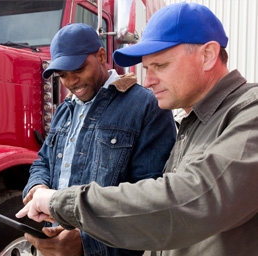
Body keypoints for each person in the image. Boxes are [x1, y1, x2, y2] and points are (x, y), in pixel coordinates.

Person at [16, 3, 258, 256]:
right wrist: (42, 191)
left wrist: (63, 206)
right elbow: (161, 224)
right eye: (147, 69)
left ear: (207, 55)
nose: (148, 81)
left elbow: (188, 201)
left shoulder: (250, 113)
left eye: (161, 66)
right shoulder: (193, 122)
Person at [21, 23, 177, 256]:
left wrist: (86, 243)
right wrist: (38, 187)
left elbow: (149, 202)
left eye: (78, 69)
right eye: (63, 75)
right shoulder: (65, 110)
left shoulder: (147, 107)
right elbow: (43, 161)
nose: (71, 82)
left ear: (102, 55)